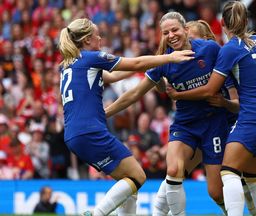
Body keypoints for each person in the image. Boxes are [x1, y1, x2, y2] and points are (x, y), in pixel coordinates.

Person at [166, 2, 256, 215]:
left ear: (222, 23)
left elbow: (209, 90)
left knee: (229, 171)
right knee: (253, 176)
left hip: (253, 117)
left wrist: (178, 95)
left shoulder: (230, 49)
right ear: (246, 21)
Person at [57, 18, 194, 216]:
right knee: (138, 176)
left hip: (74, 135)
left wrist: (147, 66)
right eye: (97, 35)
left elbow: (114, 75)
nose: (100, 38)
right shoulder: (91, 58)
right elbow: (136, 63)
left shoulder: (68, 65)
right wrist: (170, 58)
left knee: (129, 184)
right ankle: (97, 213)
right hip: (90, 131)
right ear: (87, 40)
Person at [105, 12, 230, 216]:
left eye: (175, 30)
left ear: (186, 30)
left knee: (216, 193)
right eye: (166, 32)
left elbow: (233, 75)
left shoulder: (210, 50)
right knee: (172, 170)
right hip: (185, 125)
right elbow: (135, 93)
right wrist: (105, 113)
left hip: (214, 123)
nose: (171, 35)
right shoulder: (163, 62)